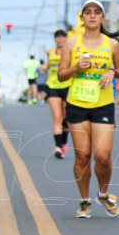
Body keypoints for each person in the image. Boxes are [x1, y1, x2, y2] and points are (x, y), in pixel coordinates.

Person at [57, 0, 119, 219]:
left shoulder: (112, 44)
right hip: (77, 103)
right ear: (82, 18)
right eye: (88, 12)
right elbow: (61, 75)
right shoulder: (71, 44)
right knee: (83, 156)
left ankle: (103, 193)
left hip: (103, 104)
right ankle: (85, 200)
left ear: (102, 17)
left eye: (97, 12)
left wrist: (113, 72)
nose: (93, 16)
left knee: (103, 157)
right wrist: (76, 67)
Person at [43, 29, 71, 158]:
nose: (60, 39)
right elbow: (50, 65)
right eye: (58, 37)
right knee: (57, 117)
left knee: (66, 119)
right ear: (55, 39)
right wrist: (44, 67)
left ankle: (64, 142)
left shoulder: (71, 52)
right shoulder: (50, 52)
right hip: (53, 86)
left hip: (67, 85)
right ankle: (58, 147)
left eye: (63, 37)